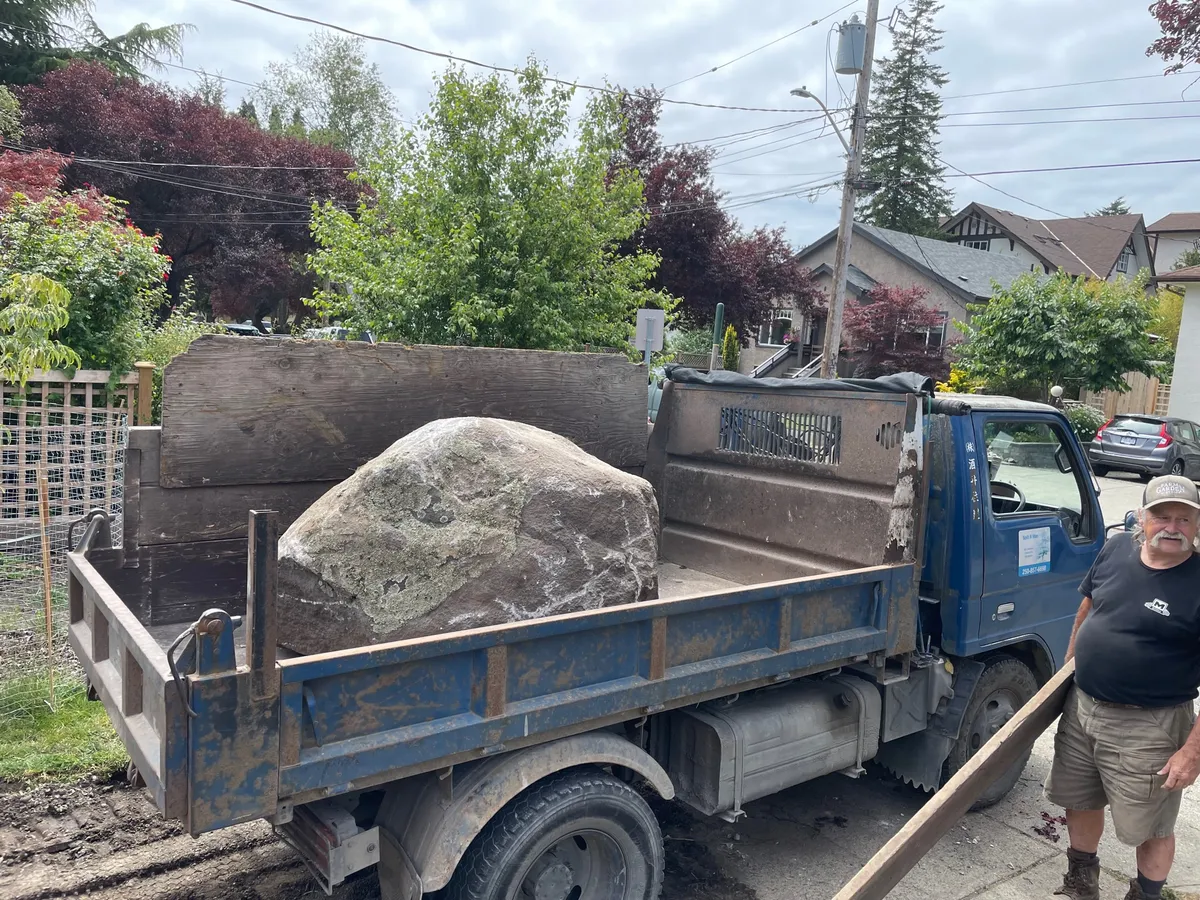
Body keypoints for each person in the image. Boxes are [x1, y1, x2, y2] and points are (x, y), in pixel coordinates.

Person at [1045, 474, 1200, 900]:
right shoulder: (1116, 549)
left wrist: (1192, 751)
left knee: (1150, 825)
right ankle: (1081, 882)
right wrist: (1071, 665)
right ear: (1143, 518)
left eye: (1184, 519)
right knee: (1079, 798)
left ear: (1197, 525)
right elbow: (1088, 605)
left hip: (1151, 725)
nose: (1172, 527)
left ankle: (1146, 895)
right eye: (1162, 516)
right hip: (1083, 708)